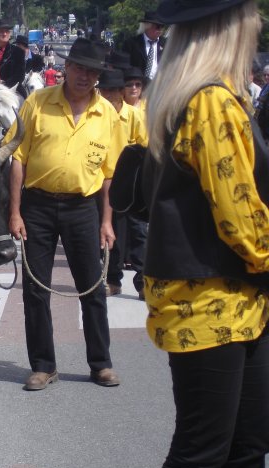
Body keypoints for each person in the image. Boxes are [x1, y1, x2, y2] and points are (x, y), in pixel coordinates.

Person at [143, 0, 269, 468]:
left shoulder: (188, 94)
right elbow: (239, 216)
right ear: (230, 30)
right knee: (203, 454)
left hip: (233, 295)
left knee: (246, 444)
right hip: (211, 298)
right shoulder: (211, 100)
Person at [5, 38, 123, 391]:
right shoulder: (38, 103)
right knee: (35, 291)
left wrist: (106, 221)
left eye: (92, 71)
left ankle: (100, 363)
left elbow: (109, 175)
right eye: (79, 68)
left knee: (92, 287)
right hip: (37, 206)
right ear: (66, 67)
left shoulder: (108, 115)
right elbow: (17, 158)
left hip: (83, 208)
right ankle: (43, 365)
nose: (84, 76)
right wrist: (14, 212)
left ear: (98, 75)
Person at [96, 69, 148, 300]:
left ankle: (144, 281)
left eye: (114, 90)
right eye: (105, 90)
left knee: (138, 233)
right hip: (101, 184)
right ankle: (112, 279)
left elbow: (145, 148)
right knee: (108, 233)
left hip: (130, 185)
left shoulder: (134, 116)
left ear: (121, 93)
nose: (109, 95)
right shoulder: (95, 114)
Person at [122, 11, 166, 83]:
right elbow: (126, 66)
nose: (160, 30)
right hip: (138, 83)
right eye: (158, 27)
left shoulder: (165, 44)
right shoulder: (131, 43)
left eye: (162, 27)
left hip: (160, 83)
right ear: (147, 26)